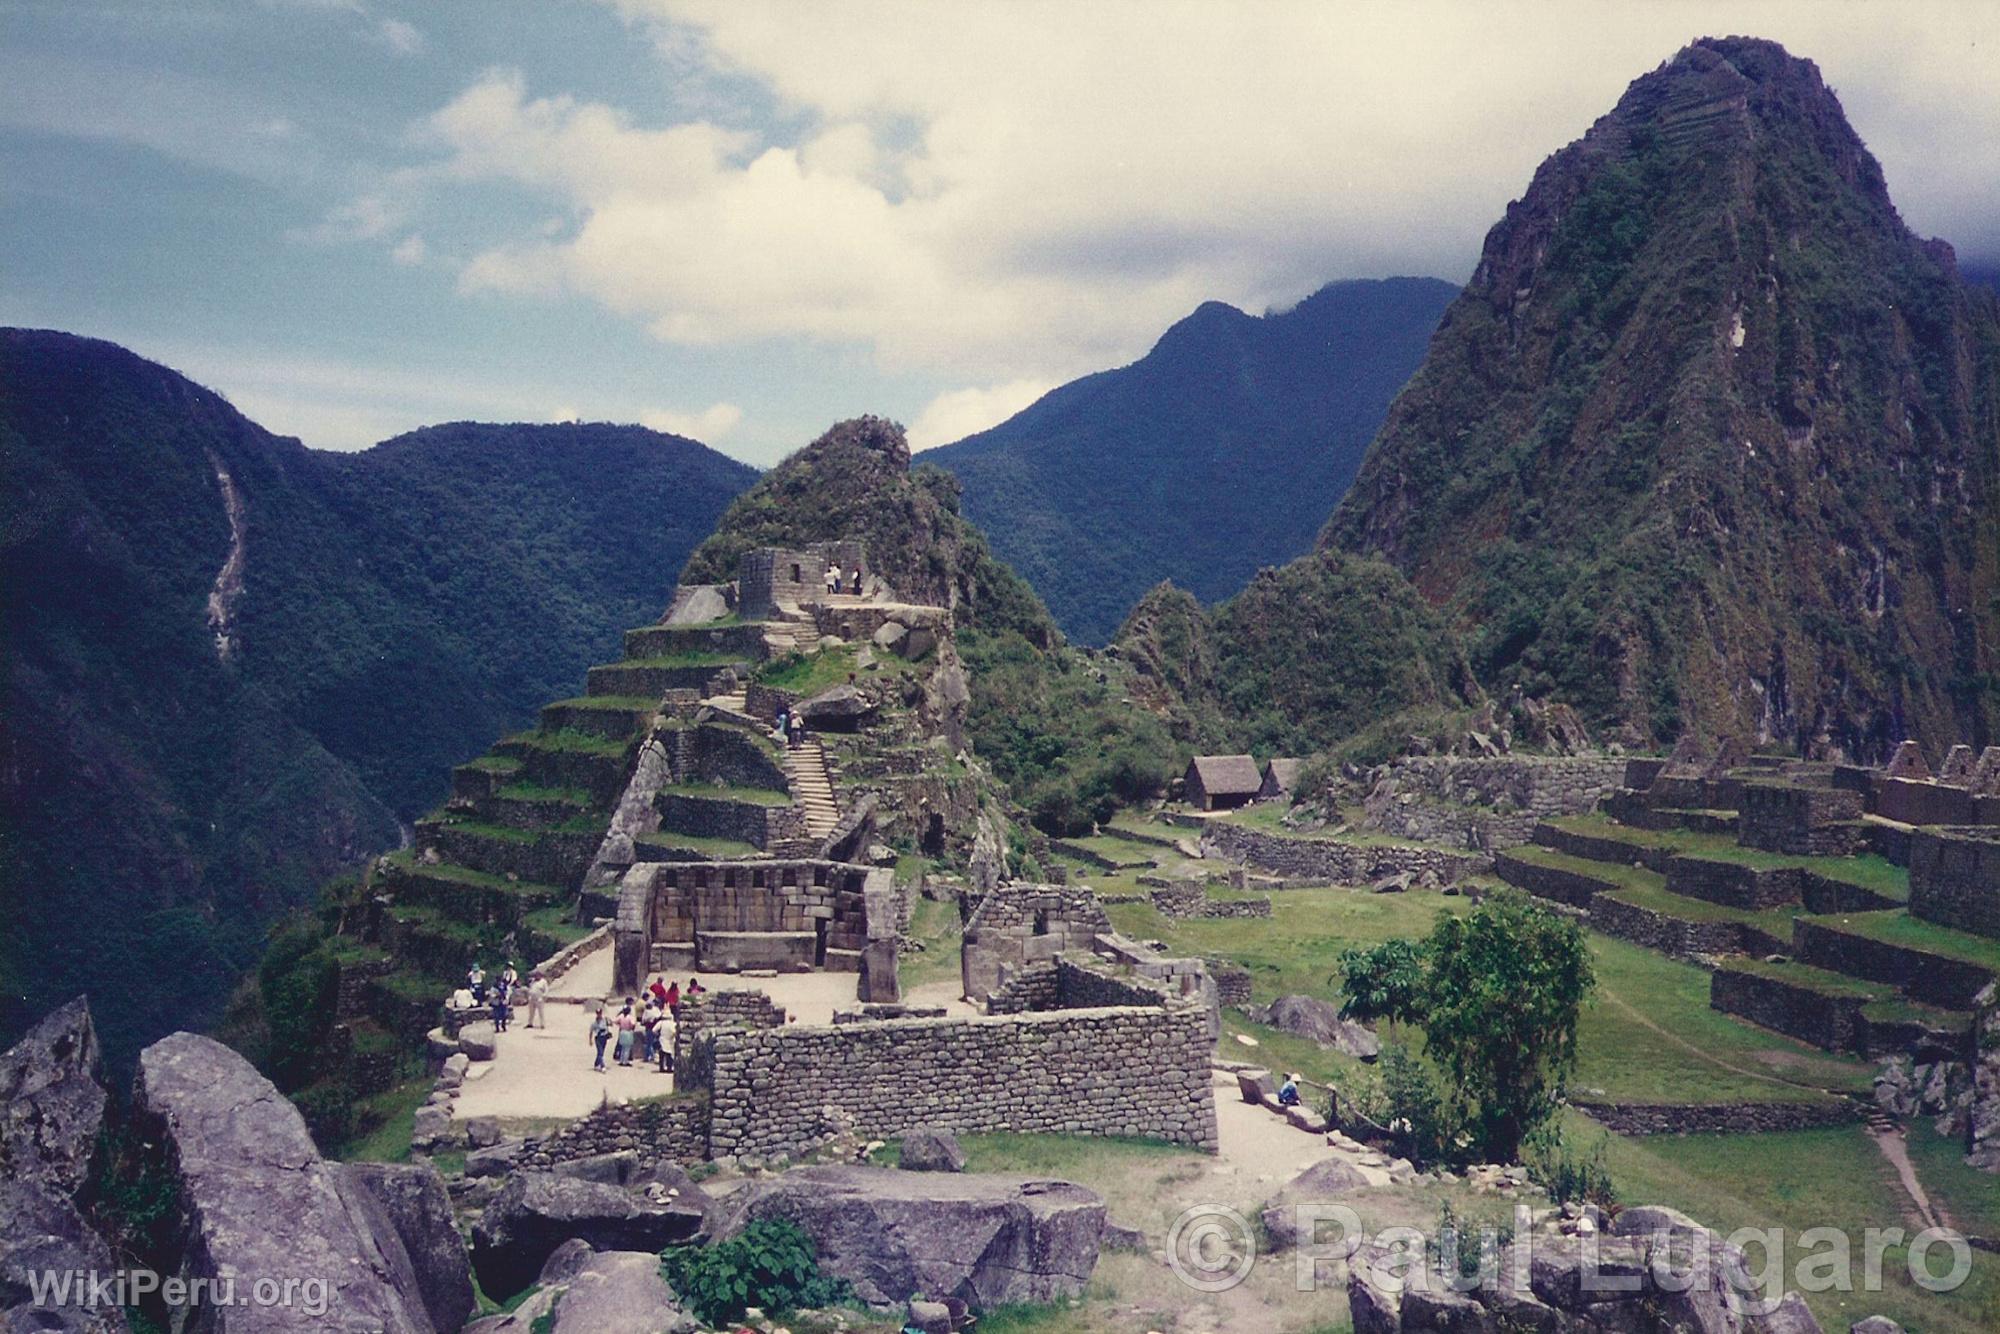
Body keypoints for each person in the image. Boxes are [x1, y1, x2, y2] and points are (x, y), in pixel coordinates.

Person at [589, 1004, 611, 1071]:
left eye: (600, 1013)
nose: (599, 1014)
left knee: (601, 1052)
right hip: (598, 1038)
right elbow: (591, 1032)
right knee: (600, 1052)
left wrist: (609, 1021)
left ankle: (596, 1064)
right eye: (598, 1013)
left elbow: (610, 1025)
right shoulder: (594, 1023)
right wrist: (590, 1040)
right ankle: (602, 1066)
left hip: (604, 1037)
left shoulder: (605, 1020)